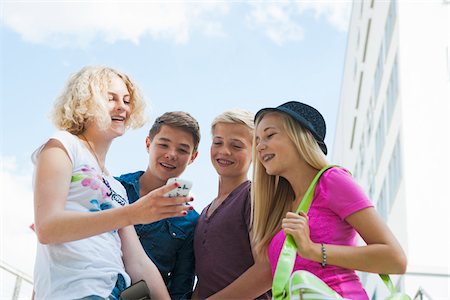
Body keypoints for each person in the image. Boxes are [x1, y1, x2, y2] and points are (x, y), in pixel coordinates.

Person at [32, 66, 193, 299]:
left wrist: (132, 213)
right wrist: (133, 213)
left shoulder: (115, 185)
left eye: (127, 101)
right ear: (85, 101)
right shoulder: (62, 146)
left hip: (114, 292)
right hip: (77, 290)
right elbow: (47, 228)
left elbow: (138, 263)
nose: (122, 107)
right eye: (111, 98)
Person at [251, 101, 407, 299]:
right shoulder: (282, 206)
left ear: (301, 137)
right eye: (257, 140)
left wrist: (313, 250)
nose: (260, 146)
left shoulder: (332, 180)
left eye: (270, 135)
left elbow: (395, 259)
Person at [116, 111, 200, 299]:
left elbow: (181, 288)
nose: (171, 155)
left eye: (182, 150)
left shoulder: (191, 221)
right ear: (148, 144)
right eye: (163, 145)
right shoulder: (115, 188)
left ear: (193, 157)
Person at [193, 109, 272, 299]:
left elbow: (267, 271)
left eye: (236, 146)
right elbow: (204, 280)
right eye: (218, 142)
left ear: (255, 152)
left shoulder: (253, 197)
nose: (224, 151)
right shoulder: (204, 212)